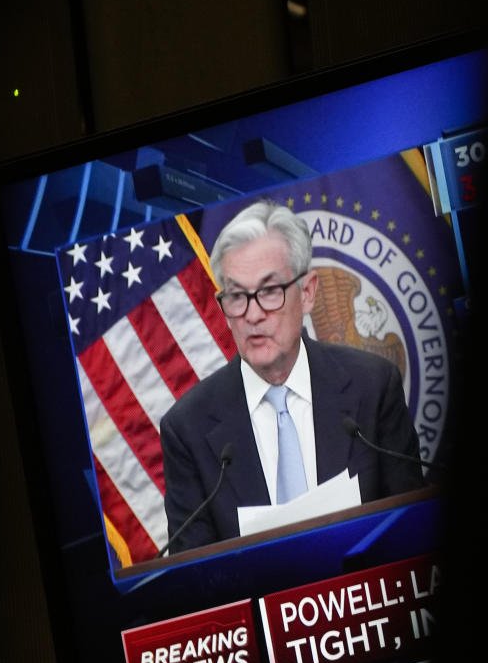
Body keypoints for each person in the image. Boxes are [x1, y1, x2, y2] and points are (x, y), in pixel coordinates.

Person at [159, 200, 425, 554]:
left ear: (308, 292)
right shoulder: (187, 428)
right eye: (237, 296)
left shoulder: (373, 387)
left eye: (269, 291)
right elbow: (196, 580)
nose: (252, 314)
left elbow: (412, 535)